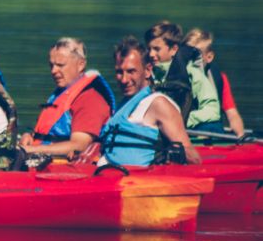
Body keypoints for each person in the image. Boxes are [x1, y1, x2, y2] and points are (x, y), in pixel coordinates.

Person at [99, 36, 201, 166]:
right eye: (119, 72)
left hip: (138, 176)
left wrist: (170, 156)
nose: (124, 80)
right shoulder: (124, 105)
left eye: (131, 71)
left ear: (147, 70)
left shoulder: (159, 104)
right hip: (106, 172)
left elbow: (194, 158)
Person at [19, 37, 115, 159]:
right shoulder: (62, 93)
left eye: (60, 65)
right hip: (40, 159)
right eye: (51, 65)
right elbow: (47, 131)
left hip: (67, 166)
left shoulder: (90, 99)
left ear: (80, 65)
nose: (53, 71)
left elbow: (79, 145)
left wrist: (31, 150)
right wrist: (29, 136)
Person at [144, 20, 222, 131]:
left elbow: (212, 110)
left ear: (174, 49)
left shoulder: (192, 73)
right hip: (158, 129)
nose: (151, 54)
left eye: (157, 49)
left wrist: (182, 120)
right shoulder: (146, 74)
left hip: (189, 129)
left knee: (213, 126)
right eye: (149, 49)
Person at [183, 28, 246, 137]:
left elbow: (232, 114)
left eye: (196, 55)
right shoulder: (179, 77)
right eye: (187, 53)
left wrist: (240, 136)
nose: (190, 59)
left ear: (209, 57)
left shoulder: (220, 78)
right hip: (186, 131)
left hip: (211, 130)